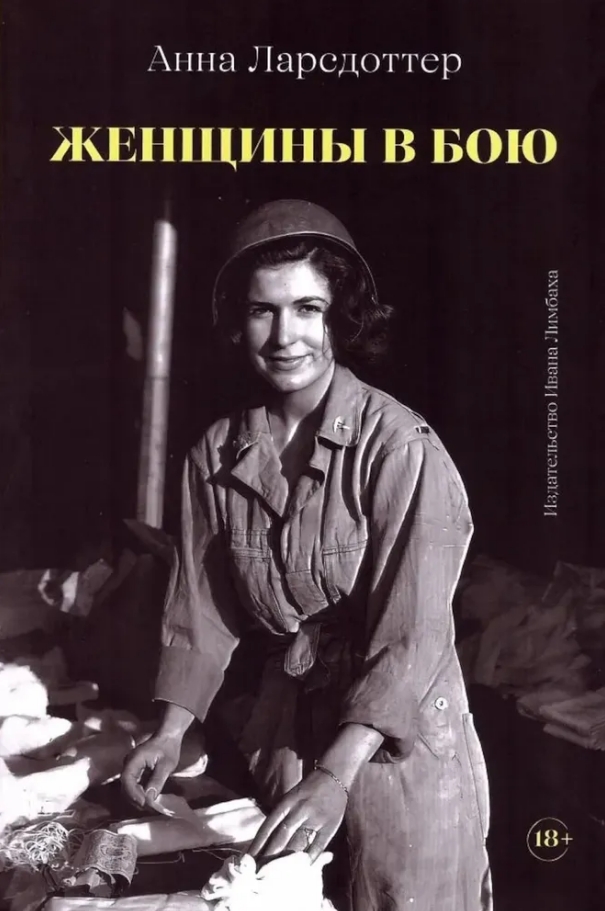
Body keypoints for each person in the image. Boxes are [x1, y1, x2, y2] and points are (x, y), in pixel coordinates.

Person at [122, 199, 492, 911]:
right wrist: (169, 732)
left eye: (307, 309)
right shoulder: (214, 455)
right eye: (263, 310)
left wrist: (337, 773)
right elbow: (200, 607)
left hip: (400, 741)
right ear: (238, 322)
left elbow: (413, 634)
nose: (284, 335)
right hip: (288, 730)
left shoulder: (398, 446)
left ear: (340, 317)